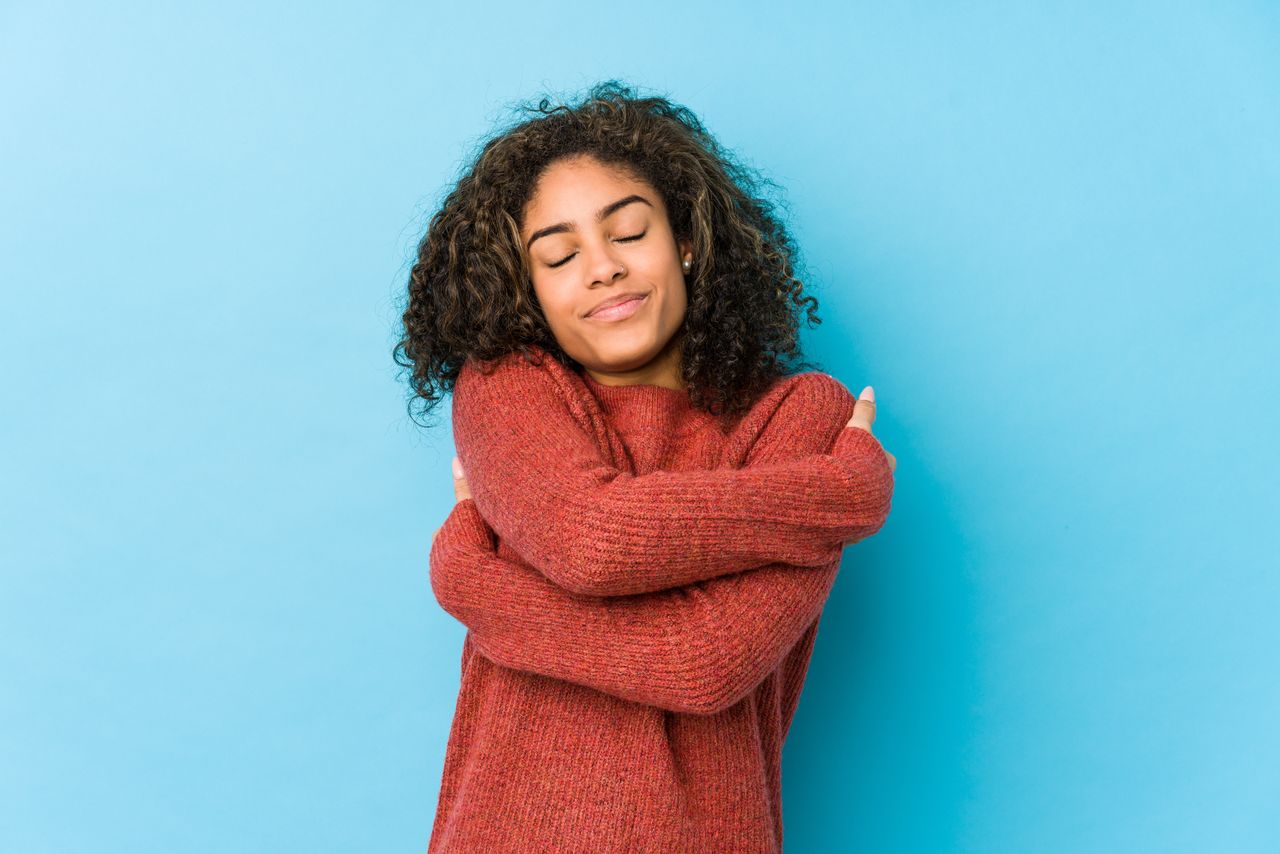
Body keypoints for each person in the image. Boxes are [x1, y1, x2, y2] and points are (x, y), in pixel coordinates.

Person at [395, 80, 897, 852]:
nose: (601, 268)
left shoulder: (800, 417)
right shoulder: (511, 385)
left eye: (628, 232)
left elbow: (705, 664)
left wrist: (478, 588)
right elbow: (591, 539)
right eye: (559, 255)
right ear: (530, 290)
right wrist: (837, 494)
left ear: (686, 241)